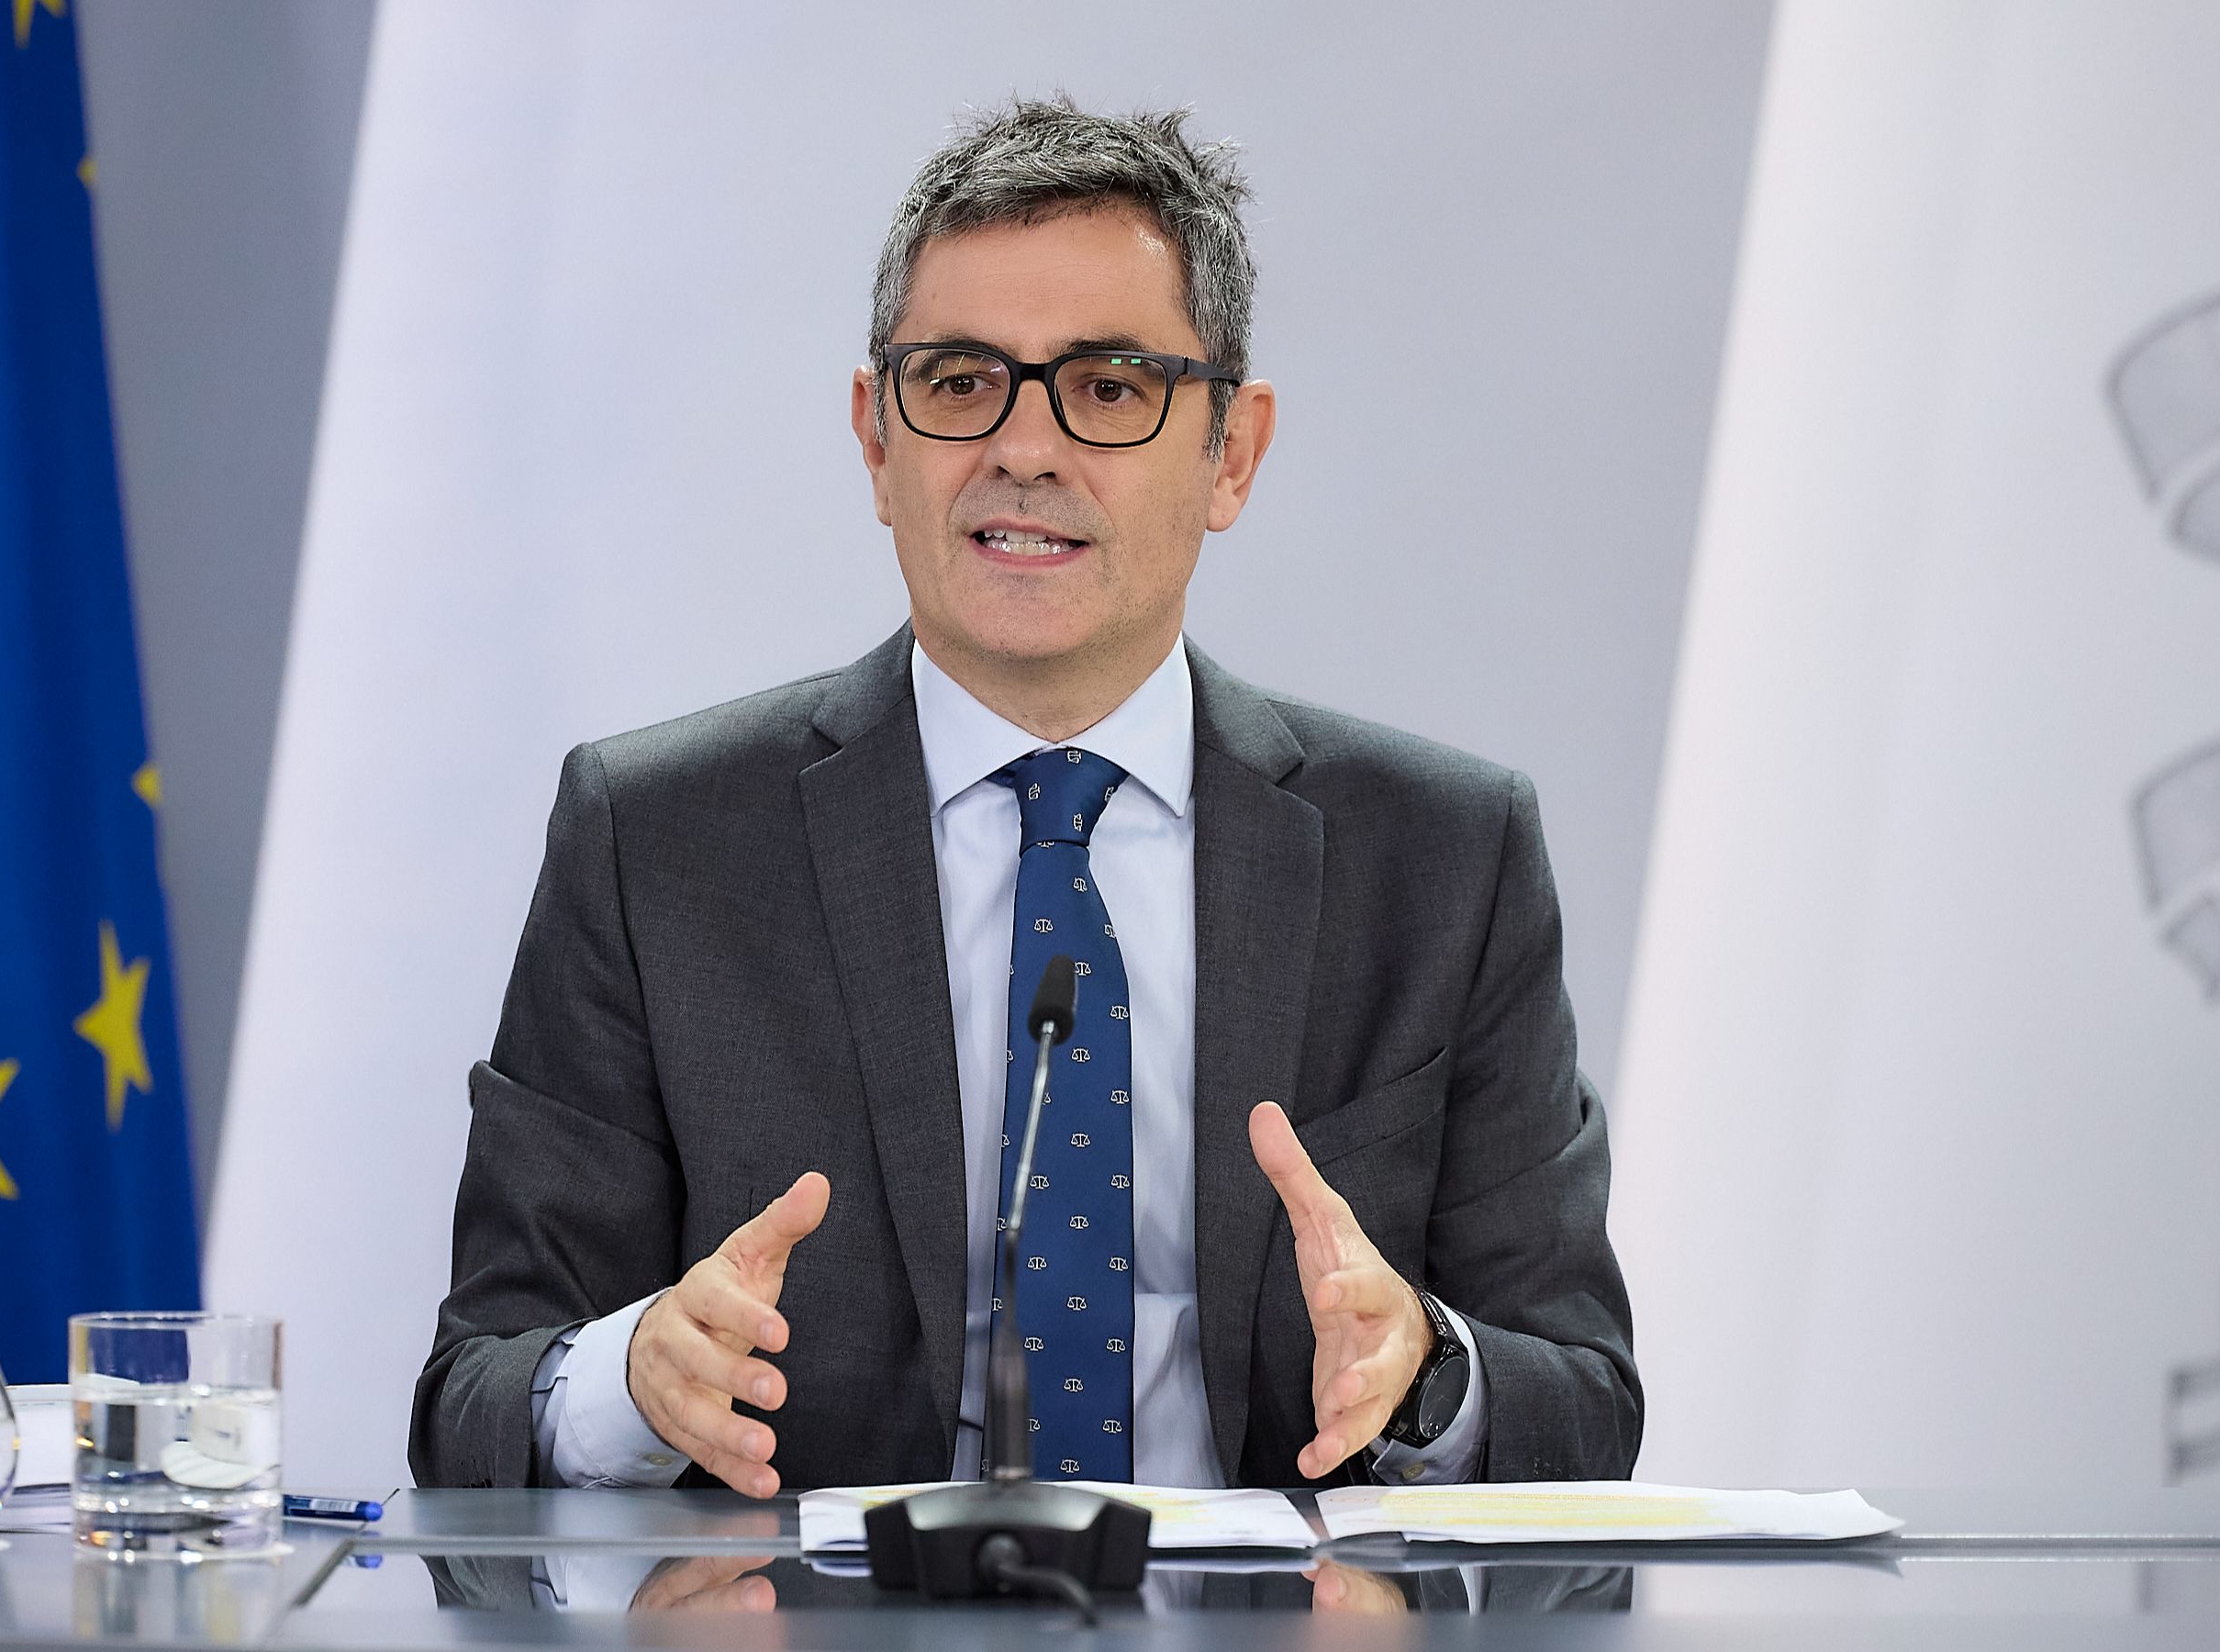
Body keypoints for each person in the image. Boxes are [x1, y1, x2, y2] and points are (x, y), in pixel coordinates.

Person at [408, 98, 1639, 1498]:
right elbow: (472, 1396)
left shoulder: (1441, 859)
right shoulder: (658, 842)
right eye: (958, 382)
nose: (1025, 449)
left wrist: (1426, 1371)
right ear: (876, 439)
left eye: (1109, 388)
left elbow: (1587, 1407)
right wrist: (633, 1380)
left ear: (1233, 452)